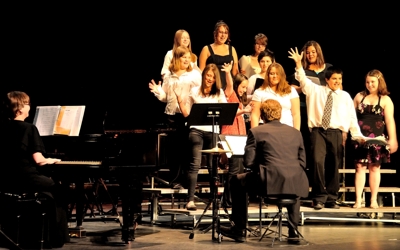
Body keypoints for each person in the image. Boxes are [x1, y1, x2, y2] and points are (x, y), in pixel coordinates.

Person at [220, 99, 308, 243]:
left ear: (262, 115)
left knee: (237, 180)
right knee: (292, 180)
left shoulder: (256, 132)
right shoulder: (295, 133)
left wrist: (263, 168)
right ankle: (293, 232)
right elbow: (302, 162)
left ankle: (239, 229)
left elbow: (248, 162)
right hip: (296, 181)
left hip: (269, 183)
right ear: (279, 114)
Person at [288, 47, 363, 210]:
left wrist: (357, 135)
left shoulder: (345, 96)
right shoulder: (316, 90)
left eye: (340, 79)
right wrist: (299, 64)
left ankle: (331, 197)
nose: (337, 82)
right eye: (334, 79)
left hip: (335, 132)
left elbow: (351, 117)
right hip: (318, 131)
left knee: (333, 163)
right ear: (327, 79)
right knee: (316, 162)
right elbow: (303, 80)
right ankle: (319, 197)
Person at [0, 91, 69, 247]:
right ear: (19, 109)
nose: (29, 107)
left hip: (6, 179)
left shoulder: (2, 127)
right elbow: (39, 160)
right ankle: (56, 237)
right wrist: (51, 160)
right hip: (26, 178)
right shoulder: (29, 128)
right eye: (27, 104)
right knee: (58, 189)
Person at [174, 63, 227, 210]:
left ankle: (213, 200)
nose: (210, 79)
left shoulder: (219, 93)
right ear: (203, 75)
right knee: (195, 164)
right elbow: (187, 114)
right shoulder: (195, 91)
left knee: (212, 166)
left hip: (213, 131)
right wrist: (179, 100)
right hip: (196, 130)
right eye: (208, 75)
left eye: (212, 77)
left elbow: (225, 111)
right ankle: (190, 200)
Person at [150, 46, 202, 188]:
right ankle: (175, 180)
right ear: (177, 58)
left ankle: (188, 181)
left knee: (187, 149)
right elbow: (165, 98)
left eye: (188, 57)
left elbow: (201, 93)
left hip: (187, 115)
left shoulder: (194, 75)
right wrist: (157, 91)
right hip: (172, 116)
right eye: (183, 57)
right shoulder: (169, 76)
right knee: (174, 150)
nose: (186, 60)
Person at [352, 70, 398, 208]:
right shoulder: (359, 96)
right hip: (361, 138)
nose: (370, 84)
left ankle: (373, 199)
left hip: (377, 138)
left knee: (374, 168)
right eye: (367, 82)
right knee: (360, 167)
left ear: (379, 82)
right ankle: (358, 200)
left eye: (373, 82)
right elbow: (351, 117)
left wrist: (393, 139)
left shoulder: (385, 100)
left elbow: (389, 120)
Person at [219, 62, 251, 208]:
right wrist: (228, 73)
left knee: (239, 170)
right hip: (230, 135)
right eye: (242, 87)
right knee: (233, 169)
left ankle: (232, 199)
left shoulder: (240, 99)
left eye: (246, 87)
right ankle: (228, 200)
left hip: (239, 137)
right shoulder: (230, 95)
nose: (244, 90)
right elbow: (230, 86)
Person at [250, 62, 300, 130]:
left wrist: (296, 132)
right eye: (272, 74)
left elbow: (296, 114)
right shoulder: (259, 92)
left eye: (277, 74)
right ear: (268, 75)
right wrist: (255, 134)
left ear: (282, 75)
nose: (275, 76)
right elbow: (255, 115)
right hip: (266, 130)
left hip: (287, 129)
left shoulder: (291, 91)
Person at [199, 20, 239, 89]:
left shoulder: (232, 49)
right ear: (215, 33)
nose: (223, 35)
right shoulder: (206, 49)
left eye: (226, 33)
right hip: (212, 86)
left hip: (228, 87)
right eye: (221, 32)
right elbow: (201, 72)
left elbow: (235, 71)